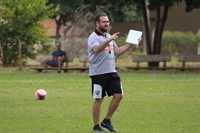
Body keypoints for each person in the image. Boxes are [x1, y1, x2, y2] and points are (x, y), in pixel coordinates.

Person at [87, 13, 142, 132]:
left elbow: (116, 51)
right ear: (97, 23)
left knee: (119, 95)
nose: (107, 24)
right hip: (98, 73)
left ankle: (106, 121)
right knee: (99, 99)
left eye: (108, 21)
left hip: (111, 72)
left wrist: (131, 43)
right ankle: (96, 127)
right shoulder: (93, 37)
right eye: (104, 22)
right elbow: (96, 50)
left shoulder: (108, 36)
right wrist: (108, 40)